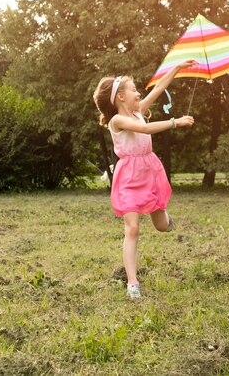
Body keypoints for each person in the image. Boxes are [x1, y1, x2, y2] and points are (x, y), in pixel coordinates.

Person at [93, 60, 195, 299]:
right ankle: (132, 283)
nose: (138, 93)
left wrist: (177, 68)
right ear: (120, 97)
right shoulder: (116, 121)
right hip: (128, 177)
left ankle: (168, 220)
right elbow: (146, 131)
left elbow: (158, 89)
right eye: (133, 89)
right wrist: (175, 122)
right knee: (133, 228)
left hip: (149, 172)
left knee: (160, 225)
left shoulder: (138, 112)